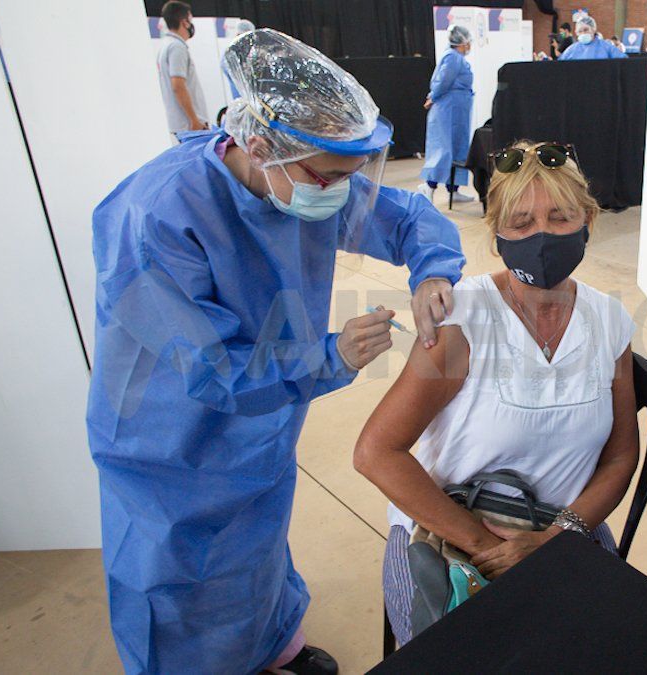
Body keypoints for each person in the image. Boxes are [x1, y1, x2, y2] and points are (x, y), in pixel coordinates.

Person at [88, 29, 466, 675]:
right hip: (171, 443)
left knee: (257, 545)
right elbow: (212, 371)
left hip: (265, 419)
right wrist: (331, 356)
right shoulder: (156, 215)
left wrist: (431, 270)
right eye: (333, 177)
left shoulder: (302, 179)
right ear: (259, 146)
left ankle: (269, 647)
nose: (344, 191)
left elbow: (404, 217)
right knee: (177, 580)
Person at [355, 141, 640, 646]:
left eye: (560, 217)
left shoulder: (609, 320)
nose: (543, 235)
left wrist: (556, 538)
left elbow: (620, 456)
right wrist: (487, 547)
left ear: (588, 221)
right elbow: (376, 452)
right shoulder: (463, 320)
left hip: (564, 528)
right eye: (521, 222)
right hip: (447, 532)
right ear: (496, 235)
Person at [419, 26, 477, 205]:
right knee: (443, 149)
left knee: (458, 149)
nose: (469, 45)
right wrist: (433, 97)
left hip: (457, 111)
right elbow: (443, 81)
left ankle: (454, 189)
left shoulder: (458, 58)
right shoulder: (452, 57)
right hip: (447, 109)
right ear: (462, 42)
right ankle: (429, 186)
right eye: (468, 42)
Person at [156, 1, 208, 139]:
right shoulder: (177, 47)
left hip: (181, 124)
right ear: (184, 22)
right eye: (190, 20)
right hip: (189, 125)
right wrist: (194, 120)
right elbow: (178, 85)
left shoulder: (166, 46)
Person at [559, 16, 627, 61]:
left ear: (593, 29)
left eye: (586, 30)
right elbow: (560, 65)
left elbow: (624, 62)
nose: (583, 33)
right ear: (576, 33)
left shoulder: (606, 47)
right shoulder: (572, 49)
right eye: (580, 31)